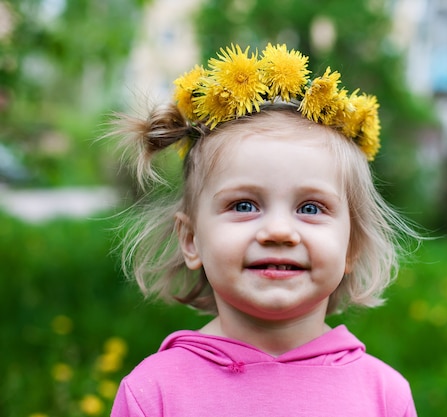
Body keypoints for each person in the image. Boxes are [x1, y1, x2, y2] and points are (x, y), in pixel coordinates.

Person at [109, 43, 419, 417]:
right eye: (244, 206)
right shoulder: (154, 393)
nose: (277, 231)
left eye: (310, 208)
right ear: (191, 240)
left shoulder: (383, 396)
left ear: (352, 244)